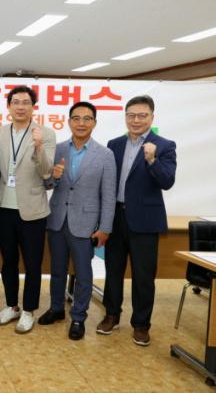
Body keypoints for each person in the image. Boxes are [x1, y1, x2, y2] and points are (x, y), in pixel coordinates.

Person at [98, 95, 177, 346]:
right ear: (125, 117)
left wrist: (152, 160)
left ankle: (141, 324)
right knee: (113, 271)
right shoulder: (115, 144)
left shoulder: (164, 146)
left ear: (152, 118)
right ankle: (112, 315)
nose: (136, 120)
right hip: (116, 217)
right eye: (131, 115)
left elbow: (167, 181)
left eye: (142, 115)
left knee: (143, 276)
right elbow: (107, 182)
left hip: (145, 220)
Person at [38, 102, 116, 340]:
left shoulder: (105, 155)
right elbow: (46, 184)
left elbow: (109, 195)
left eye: (87, 119)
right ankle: (56, 308)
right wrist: (53, 177)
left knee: (83, 273)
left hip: (86, 223)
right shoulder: (58, 149)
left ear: (94, 123)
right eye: (76, 118)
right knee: (57, 269)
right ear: (69, 121)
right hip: (57, 219)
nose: (81, 123)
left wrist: (105, 227)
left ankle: (79, 317)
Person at [0, 85, 56, 334]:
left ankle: (29, 310)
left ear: (33, 106)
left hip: (32, 209)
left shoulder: (45, 134)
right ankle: (12, 306)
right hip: (3, 208)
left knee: (33, 264)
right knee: (8, 261)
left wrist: (38, 147)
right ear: (8, 106)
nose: (20, 107)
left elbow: (46, 172)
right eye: (15, 102)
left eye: (25, 102)